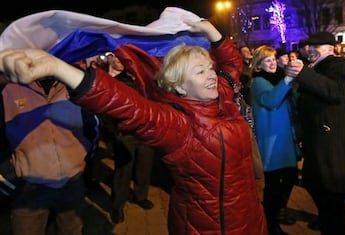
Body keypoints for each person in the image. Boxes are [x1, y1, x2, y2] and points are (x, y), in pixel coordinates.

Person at [0, 19, 267, 235]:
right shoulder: (177, 125)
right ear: (180, 86)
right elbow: (126, 105)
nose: (210, 75)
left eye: (209, 68)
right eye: (199, 72)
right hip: (211, 226)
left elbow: (231, 65)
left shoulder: (222, 93)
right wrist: (58, 68)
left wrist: (210, 30)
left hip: (253, 217)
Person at [285, 32, 345, 235]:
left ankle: (332, 227)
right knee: (317, 186)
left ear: (331, 48)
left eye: (316, 47)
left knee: (331, 193)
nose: (310, 50)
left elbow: (335, 91)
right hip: (318, 140)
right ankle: (328, 222)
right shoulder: (316, 67)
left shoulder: (337, 65)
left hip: (331, 143)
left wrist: (304, 73)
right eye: (309, 47)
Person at [0, 75, 100, 235]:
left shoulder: (75, 85)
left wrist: (81, 162)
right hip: (28, 187)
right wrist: (10, 173)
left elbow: (92, 127)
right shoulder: (8, 89)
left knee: (72, 230)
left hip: (72, 182)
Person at [250, 45, 301, 235]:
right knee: (273, 182)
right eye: (267, 60)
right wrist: (288, 80)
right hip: (271, 139)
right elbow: (271, 100)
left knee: (290, 175)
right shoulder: (259, 81)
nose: (272, 63)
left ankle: (276, 212)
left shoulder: (277, 78)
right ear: (259, 64)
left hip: (285, 137)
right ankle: (270, 223)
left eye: (273, 59)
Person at [102, 53, 155, 224]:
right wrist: (115, 132)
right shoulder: (117, 82)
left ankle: (140, 196)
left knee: (144, 168)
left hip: (146, 133)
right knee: (123, 171)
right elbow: (108, 111)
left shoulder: (148, 82)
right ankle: (117, 206)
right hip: (125, 134)